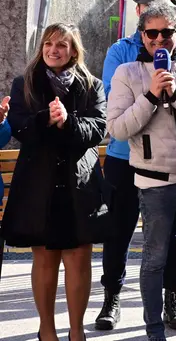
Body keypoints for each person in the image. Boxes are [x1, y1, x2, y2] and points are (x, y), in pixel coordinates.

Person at [106, 2, 176, 341]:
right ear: (143, 36)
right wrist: (151, 96)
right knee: (154, 259)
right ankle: (154, 330)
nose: (159, 39)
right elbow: (118, 129)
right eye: (152, 33)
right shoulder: (126, 73)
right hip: (154, 183)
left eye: (166, 33)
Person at [97, 0, 176, 331]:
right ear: (139, 12)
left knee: (172, 233)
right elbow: (116, 102)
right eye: (144, 7)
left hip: (167, 160)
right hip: (124, 156)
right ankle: (112, 295)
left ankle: (172, 296)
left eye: (164, 23)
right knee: (119, 228)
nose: (159, 38)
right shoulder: (119, 51)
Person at [2, 23, 108, 341]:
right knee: (45, 257)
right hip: (38, 185)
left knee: (78, 257)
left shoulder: (92, 85)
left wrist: (69, 122)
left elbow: (98, 128)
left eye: (62, 44)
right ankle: (46, 330)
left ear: (74, 51)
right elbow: (19, 128)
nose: (54, 50)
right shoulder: (25, 84)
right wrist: (45, 119)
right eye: (49, 43)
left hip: (80, 184)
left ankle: (77, 332)